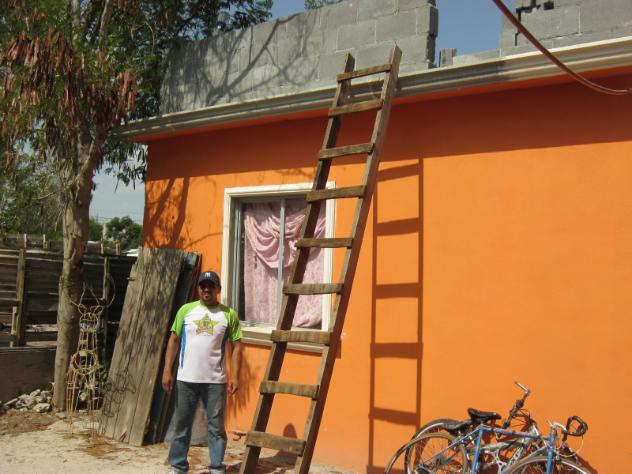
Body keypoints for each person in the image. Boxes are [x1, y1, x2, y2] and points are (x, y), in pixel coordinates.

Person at [162, 270, 242, 474]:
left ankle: (216, 467)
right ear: (198, 288)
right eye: (203, 286)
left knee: (216, 428)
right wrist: (167, 371)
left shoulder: (228, 314)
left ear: (218, 289)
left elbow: (237, 347)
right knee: (182, 426)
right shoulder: (185, 310)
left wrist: (235, 376)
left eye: (211, 286)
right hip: (186, 379)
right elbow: (173, 340)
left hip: (215, 381)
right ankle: (178, 466)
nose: (207, 289)